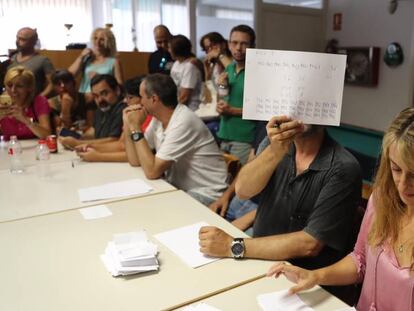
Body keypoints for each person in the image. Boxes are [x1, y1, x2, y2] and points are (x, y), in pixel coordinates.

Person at [267, 108, 414, 310]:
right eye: (396, 169)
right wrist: (315, 276)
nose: (403, 185)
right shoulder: (382, 199)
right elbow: (360, 260)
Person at [199, 116, 361, 280]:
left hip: (301, 279)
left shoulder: (344, 167)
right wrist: (274, 151)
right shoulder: (274, 145)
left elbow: (310, 244)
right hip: (258, 261)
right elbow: (243, 191)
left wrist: (232, 246)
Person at [123, 73, 228, 205]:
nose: (140, 102)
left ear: (154, 99)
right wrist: (129, 125)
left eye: (142, 97)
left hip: (206, 193)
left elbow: (152, 171)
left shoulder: (183, 121)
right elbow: (135, 160)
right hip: (180, 188)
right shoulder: (158, 119)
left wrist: (136, 128)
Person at [75, 76, 149, 162]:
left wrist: (98, 156)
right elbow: (121, 144)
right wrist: (89, 146)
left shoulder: (145, 117)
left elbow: (129, 151)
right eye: (95, 96)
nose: (125, 101)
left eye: (130, 97)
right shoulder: (129, 113)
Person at [216, 25, 256, 165]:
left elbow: (259, 110)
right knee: (225, 179)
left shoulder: (257, 72)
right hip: (224, 133)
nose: (238, 48)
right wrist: (221, 85)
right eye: (234, 43)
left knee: (239, 183)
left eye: (244, 43)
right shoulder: (229, 68)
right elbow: (223, 96)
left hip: (244, 138)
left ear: (252, 46)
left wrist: (232, 110)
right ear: (229, 44)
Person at [59, 74, 125, 149]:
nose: (100, 100)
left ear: (117, 90)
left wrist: (77, 143)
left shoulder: (122, 109)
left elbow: (114, 140)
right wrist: (75, 136)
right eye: (96, 96)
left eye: (104, 93)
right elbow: (93, 131)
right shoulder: (102, 108)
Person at [0, 66, 51, 139]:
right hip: (9, 148)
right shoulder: (2, 103)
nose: (13, 90)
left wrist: (26, 120)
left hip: (36, 148)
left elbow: (47, 135)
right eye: (9, 85)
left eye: (19, 86)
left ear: (29, 87)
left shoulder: (39, 101)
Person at [69, 27, 123, 94]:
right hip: (84, 96)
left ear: (108, 42)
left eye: (102, 39)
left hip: (102, 98)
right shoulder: (86, 58)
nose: (97, 42)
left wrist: (100, 78)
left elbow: (120, 86)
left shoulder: (114, 62)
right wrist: (81, 56)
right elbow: (69, 75)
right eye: (95, 38)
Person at [8, 27, 55, 97]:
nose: (17, 42)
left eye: (22, 39)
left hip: (32, 103)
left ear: (33, 42)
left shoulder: (43, 61)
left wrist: (38, 99)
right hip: (12, 101)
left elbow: (53, 83)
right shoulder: (12, 59)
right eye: (17, 38)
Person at [169, 35, 203, 111]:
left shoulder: (190, 66)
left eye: (170, 48)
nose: (169, 50)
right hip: (179, 106)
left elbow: (185, 97)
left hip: (190, 109)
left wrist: (172, 111)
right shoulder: (176, 63)